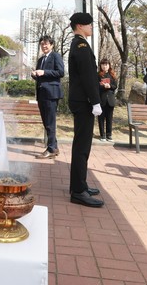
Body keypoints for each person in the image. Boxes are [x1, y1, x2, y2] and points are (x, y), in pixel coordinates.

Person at [67, 11, 104, 208]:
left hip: (81, 101)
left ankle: (79, 185)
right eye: (89, 24)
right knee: (82, 147)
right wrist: (95, 101)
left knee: (81, 146)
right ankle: (78, 191)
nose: (91, 27)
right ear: (80, 26)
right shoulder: (81, 45)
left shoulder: (79, 44)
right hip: (83, 102)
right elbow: (88, 76)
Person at [31, 35, 64, 159]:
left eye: (46, 44)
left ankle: (51, 149)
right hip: (41, 93)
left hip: (51, 93)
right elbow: (41, 77)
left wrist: (44, 72)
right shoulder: (40, 60)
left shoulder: (56, 56)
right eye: (42, 44)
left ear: (51, 45)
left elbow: (61, 72)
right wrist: (35, 75)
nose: (44, 46)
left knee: (50, 122)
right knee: (46, 122)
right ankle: (54, 147)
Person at [97, 59, 117, 142]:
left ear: (109, 65)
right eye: (103, 64)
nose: (105, 66)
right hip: (101, 99)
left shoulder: (112, 75)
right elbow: (96, 86)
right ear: (100, 66)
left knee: (109, 118)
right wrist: (103, 86)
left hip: (110, 99)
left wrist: (110, 86)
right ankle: (102, 135)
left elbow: (115, 86)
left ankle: (109, 134)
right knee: (101, 118)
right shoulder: (98, 75)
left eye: (106, 64)